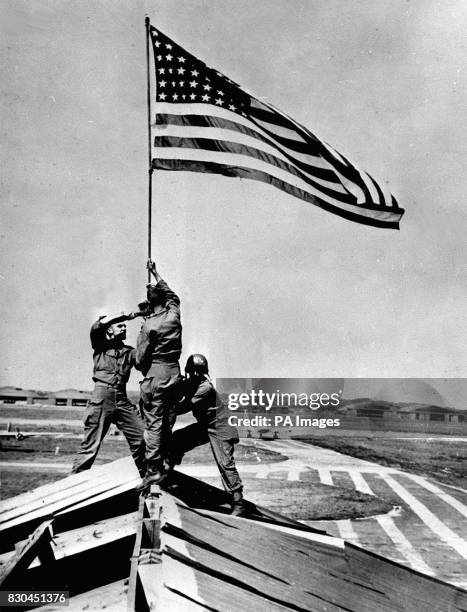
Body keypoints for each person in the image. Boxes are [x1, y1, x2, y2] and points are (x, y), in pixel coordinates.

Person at [170, 354, 246, 516]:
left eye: (196, 372)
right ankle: (166, 471)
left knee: (225, 464)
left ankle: (238, 502)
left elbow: (183, 407)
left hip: (220, 427)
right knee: (178, 438)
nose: (194, 374)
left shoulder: (205, 388)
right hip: (206, 426)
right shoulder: (193, 383)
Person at [71, 312, 146, 475]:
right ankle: (72, 483)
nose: (124, 326)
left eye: (125, 325)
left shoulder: (129, 351)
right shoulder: (100, 346)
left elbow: (141, 361)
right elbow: (96, 329)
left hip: (122, 399)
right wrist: (123, 315)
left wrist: (146, 330)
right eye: (119, 325)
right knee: (90, 447)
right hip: (102, 397)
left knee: (143, 438)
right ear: (109, 330)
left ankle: (145, 481)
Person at [135, 260, 183, 487]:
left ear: (149, 304)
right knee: (168, 422)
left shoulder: (149, 326)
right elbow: (173, 295)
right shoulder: (174, 314)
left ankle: (152, 469)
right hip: (175, 373)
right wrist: (155, 273)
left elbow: (139, 360)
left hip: (156, 373)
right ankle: (165, 463)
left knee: (154, 423)